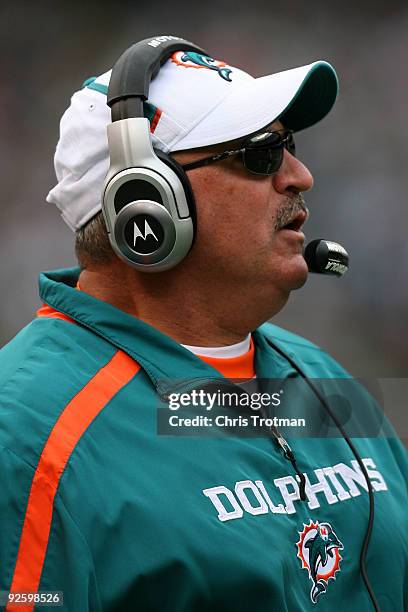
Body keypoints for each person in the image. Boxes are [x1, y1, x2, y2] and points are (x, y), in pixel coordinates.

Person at [0, 36, 406, 612]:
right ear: (145, 203)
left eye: (290, 147)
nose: (300, 175)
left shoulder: (320, 378)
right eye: (261, 153)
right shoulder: (23, 439)